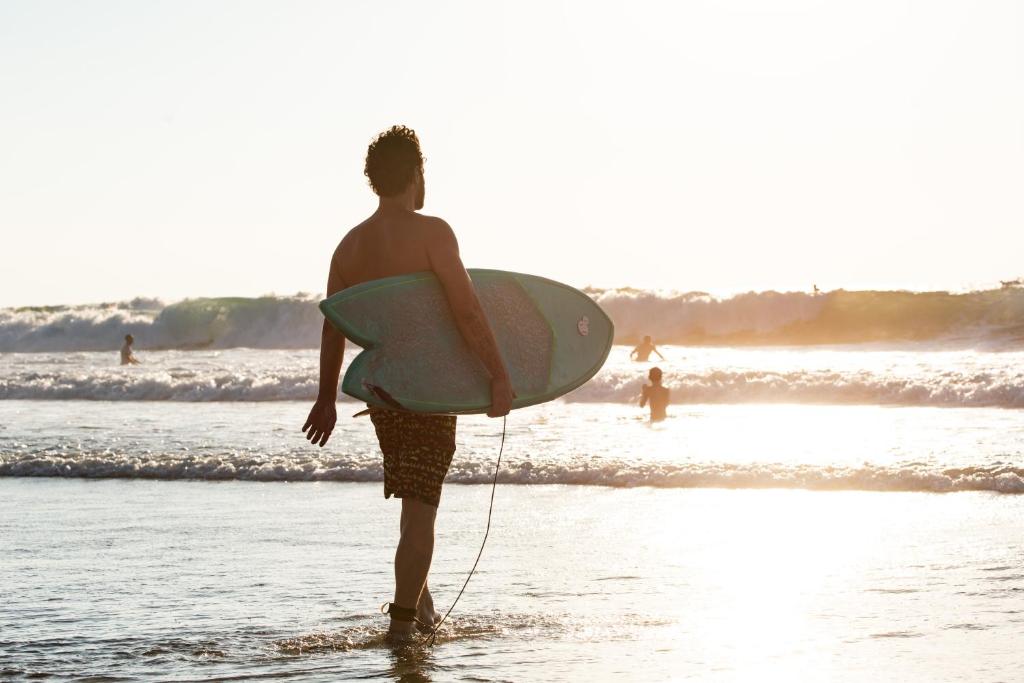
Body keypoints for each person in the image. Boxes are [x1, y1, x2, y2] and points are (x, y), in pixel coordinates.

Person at [301, 125, 514, 643]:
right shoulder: (433, 233)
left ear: (373, 179)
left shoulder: (349, 247)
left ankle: (420, 609)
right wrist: (498, 373)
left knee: (414, 502)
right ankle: (401, 628)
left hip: (386, 396)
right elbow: (465, 311)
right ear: (417, 173)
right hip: (432, 391)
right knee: (422, 509)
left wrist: (327, 398)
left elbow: (335, 327)